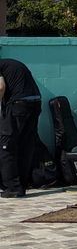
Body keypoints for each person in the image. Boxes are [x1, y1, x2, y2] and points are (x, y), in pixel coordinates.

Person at [0, 58, 42, 198]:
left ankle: (12, 188)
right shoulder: (11, 64)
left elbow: (0, 87)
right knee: (25, 146)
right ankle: (21, 186)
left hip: (18, 105)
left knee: (6, 146)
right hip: (35, 102)